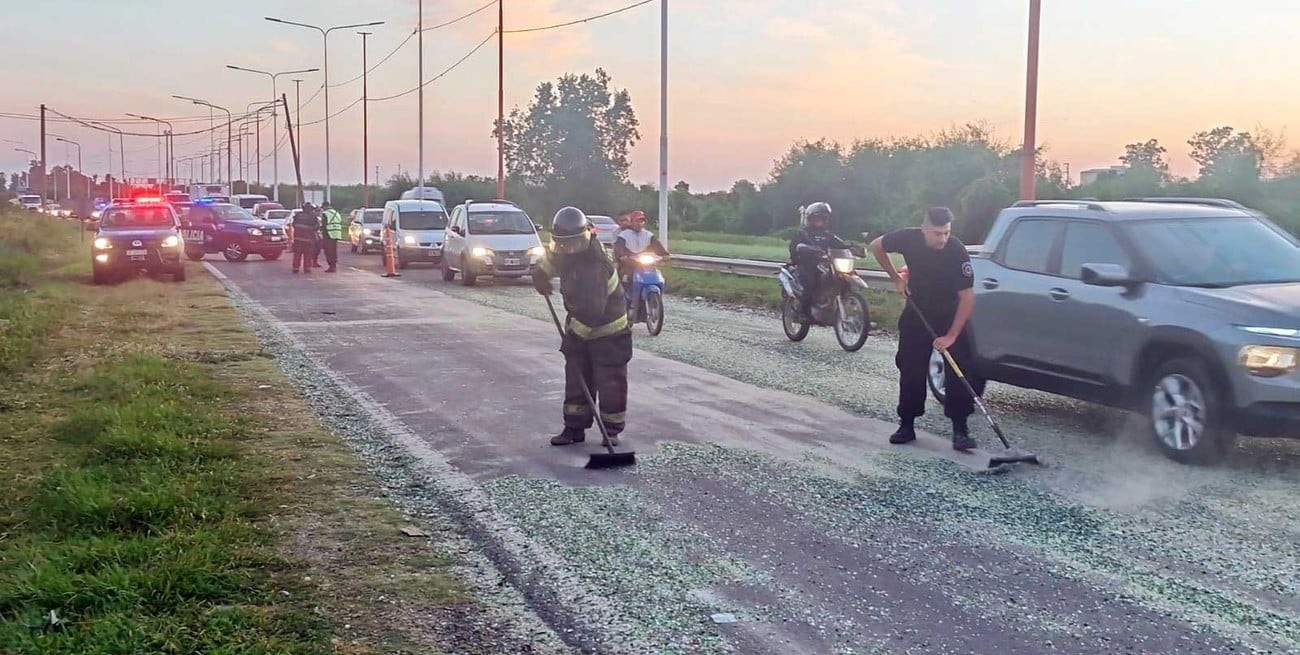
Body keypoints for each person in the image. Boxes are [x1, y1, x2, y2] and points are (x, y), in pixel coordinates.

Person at [869, 206, 983, 451]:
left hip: (950, 313)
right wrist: (896, 278)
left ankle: (960, 430)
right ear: (924, 229)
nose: (942, 239)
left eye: (946, 233)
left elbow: (967, 298)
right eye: (937, 233)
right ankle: (907, 424)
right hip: (918, 311)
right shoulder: (908, 238)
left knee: (960, 370)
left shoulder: (956, 250)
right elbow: (876, 246)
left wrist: (951, 336)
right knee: (910, 368)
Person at [533, 206, 633, 448]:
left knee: (611, 383)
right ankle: (574, 428)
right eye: (563, 244)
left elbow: (592, 312)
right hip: (581, 322)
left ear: (586, 236)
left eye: (572, 244)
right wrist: (541, 274)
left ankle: (611, 430)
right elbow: (551, 259)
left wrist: (573, 338)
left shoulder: (595, 265)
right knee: (577, 380)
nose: (568, 249)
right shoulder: (566, 249)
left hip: (609, 332)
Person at [786, 202, 850, 321]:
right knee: (810, 283)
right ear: (810, 219)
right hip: (805, 265)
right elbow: (796, 247)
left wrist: (853, 249)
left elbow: (842, 246)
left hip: (824, 265)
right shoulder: (803, 234)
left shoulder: (828, 236)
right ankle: (803, 312)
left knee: (842, 278)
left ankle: (840, 308)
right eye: (817, 218)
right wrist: (806, 249)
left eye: (823, 218)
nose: (820, 221)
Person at [612, 210, 670, 286]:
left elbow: (657, 245)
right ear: (632, 222)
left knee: (659, 276)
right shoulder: (624, 235)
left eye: (641, 221)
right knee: (625, 277)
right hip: (629, 263)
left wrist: (664, 254)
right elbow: (619, 247)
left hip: (646, 264)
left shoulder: (648, 235)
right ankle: (623, 291)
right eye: (637, 221)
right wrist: (621, 255)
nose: (639, 224)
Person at [291, 203, 321, 274]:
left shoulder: (298, 215)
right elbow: (316, 227)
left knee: (297, 254)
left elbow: (293, 224)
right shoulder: (312, 216)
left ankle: (296, 268)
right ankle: (307, 268)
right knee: (308, 254)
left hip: (297, 238)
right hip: (308, 239)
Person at [319, 201, 344, 272]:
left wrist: (320, 230)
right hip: (336, 233)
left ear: (325, 206)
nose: (323, 209)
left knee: (328, 251)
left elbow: (324, 224)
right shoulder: (336, 213)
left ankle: (331, 266)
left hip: (328, 234)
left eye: (323, 208)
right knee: (333, 251)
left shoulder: (325, 214)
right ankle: (334, 266)